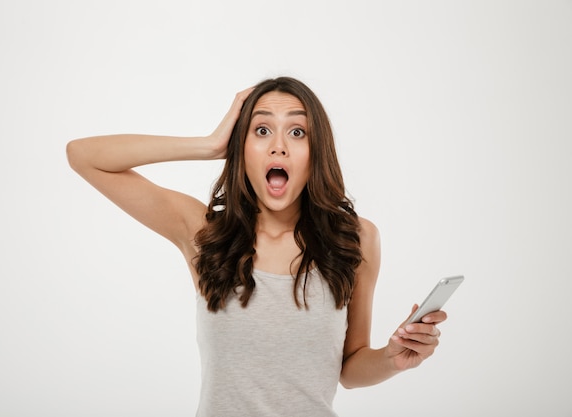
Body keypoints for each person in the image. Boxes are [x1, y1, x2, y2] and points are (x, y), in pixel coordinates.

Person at [66, 76, 447, 417]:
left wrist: (392, 359)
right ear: (241, 147)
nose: (278, 147)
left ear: (317, 152)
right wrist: (209, 144)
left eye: (297, 133)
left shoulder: (357, 239)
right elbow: (83, 156)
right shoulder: (204, 234)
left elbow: (349, 368)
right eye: (261, 130)